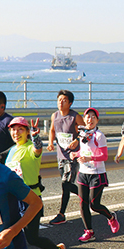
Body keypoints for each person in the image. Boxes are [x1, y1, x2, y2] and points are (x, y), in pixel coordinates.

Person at [5, 117, 66, 249]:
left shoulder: (30, 147)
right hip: (13, 199)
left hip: (31, 199)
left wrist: (35, 136)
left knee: (32, 238)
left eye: (20, 129)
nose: (16, 132)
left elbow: (38, 149)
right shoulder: (12, 150)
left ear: (26, 132)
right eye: (13, 129)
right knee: (12, 234)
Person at [70, 108, 120, 242]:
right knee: (82, 203)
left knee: (94, 204)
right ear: (84, 119)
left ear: (97, 120)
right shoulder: (82, 134)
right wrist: (76, 154)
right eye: (87, 117)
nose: (90, 119)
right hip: (83, 173)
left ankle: (111, 217)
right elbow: (84, 151)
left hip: (97, 174)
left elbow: (104, 156)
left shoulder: (99, 135)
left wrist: (89, 158)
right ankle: (89, 231)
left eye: (93, 117)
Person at [47, 90, 85, 225]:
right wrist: (51, 142)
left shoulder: (75, 117)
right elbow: (52, 130)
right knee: (66, 184)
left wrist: (77, 140)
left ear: (70, 103)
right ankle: (85, 195)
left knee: (66, 184)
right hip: (60, 155)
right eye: (59, 99)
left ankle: (61, 214)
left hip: (73, 155)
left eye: (64, 100)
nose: (60, 102)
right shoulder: (55, 116)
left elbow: (85, 132)